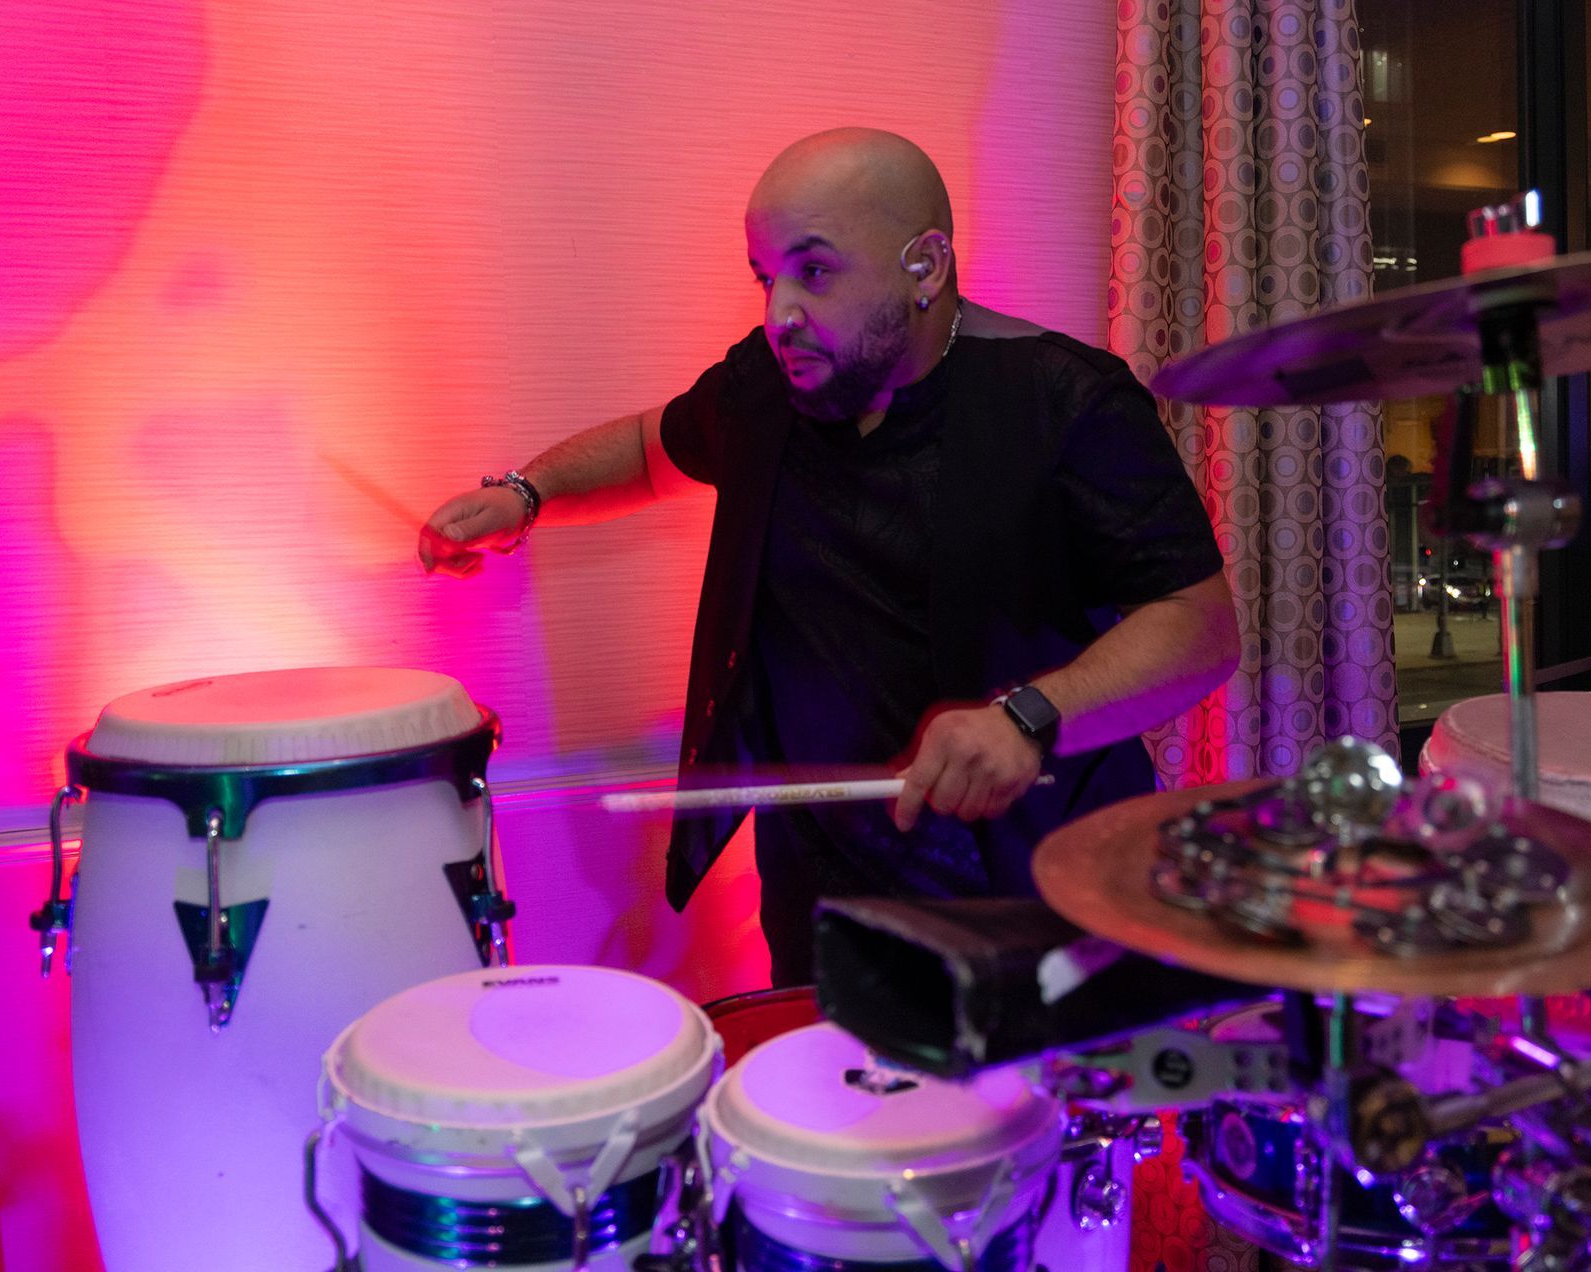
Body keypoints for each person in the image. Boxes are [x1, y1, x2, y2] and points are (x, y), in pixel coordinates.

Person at [420, 128, 1239, 985]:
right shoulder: (768, 385)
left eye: (813, 271)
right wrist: (525, 495)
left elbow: (1200, 626)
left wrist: (1028, 718)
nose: (779, 312)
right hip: (823, 903)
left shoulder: (1068, 399)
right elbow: (647, 448)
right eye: (765, 278)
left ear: (925, 266)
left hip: (1040, 893)